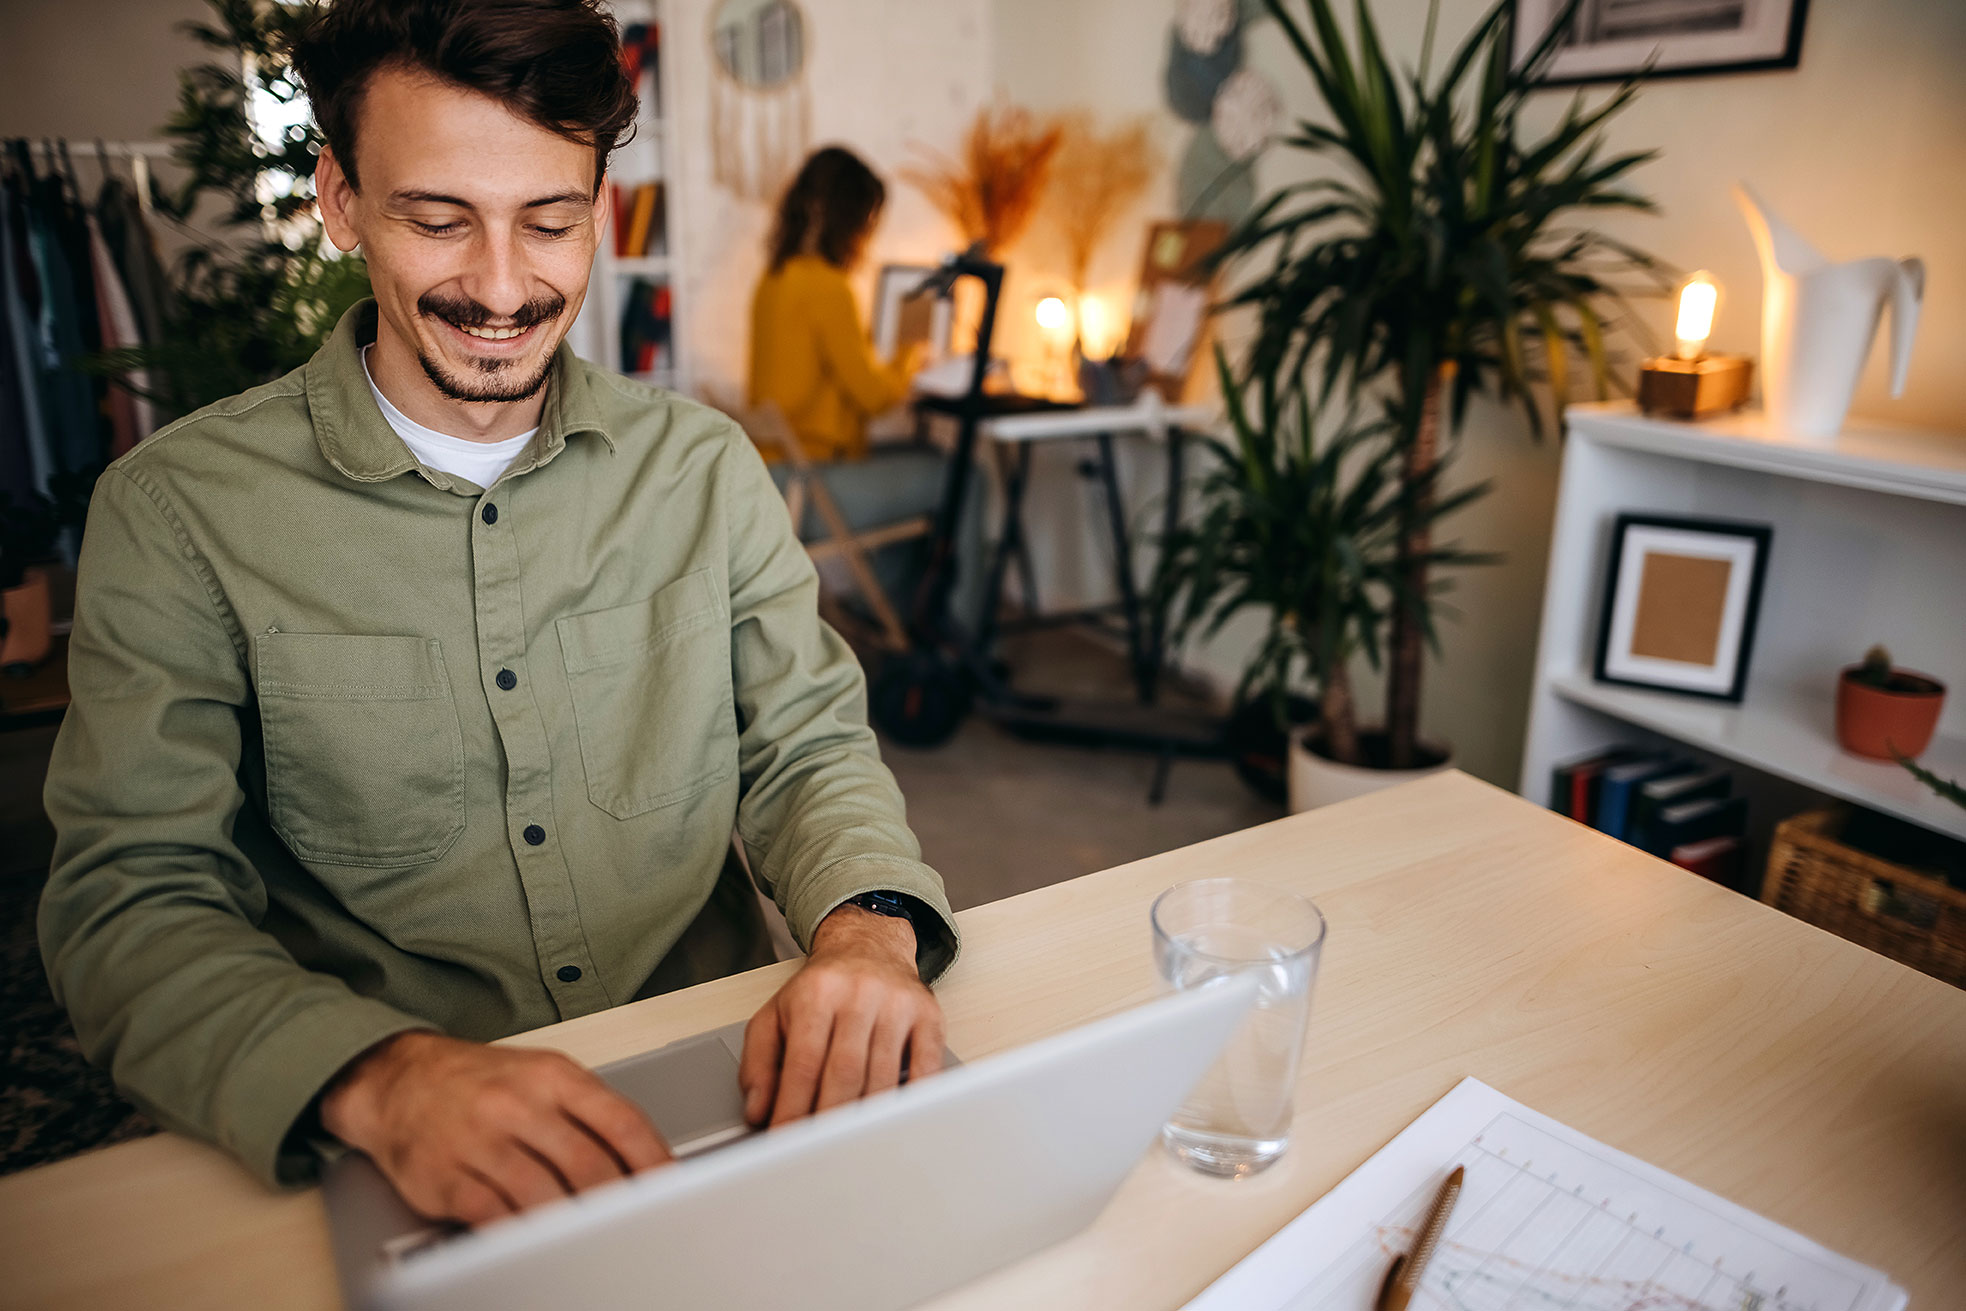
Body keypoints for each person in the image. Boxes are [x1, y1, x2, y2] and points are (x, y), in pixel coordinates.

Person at [38, 0, 958, 1230]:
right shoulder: (176, 514)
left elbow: (806, 746)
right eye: (436, 219)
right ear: (341, 200)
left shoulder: (702, 468)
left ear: (599, 212)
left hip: (727, 1081)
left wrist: (864, 930)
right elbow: (133, 899)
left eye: (549, 221)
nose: (501, 287)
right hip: (388, 1147)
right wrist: (376, 1078)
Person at [748, 146, 919, 462]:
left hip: (771, 463)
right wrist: (911, 355)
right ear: (850, 220)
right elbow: (874, 398)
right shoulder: (828, 287)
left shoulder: (773, 277)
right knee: (966, 474)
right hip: (812, 471)